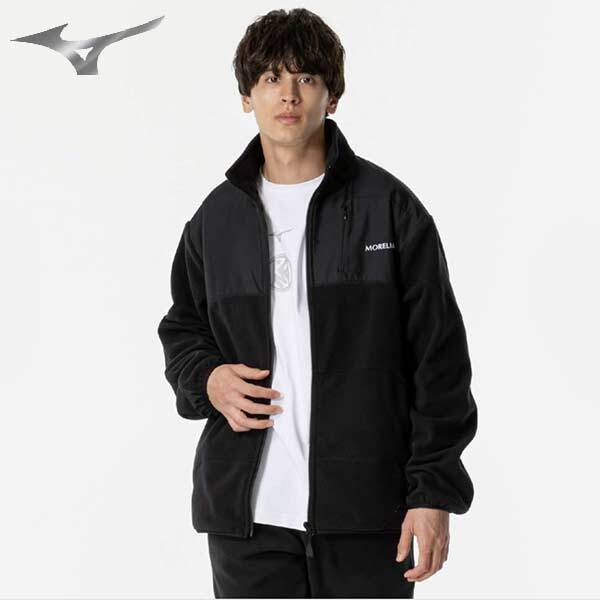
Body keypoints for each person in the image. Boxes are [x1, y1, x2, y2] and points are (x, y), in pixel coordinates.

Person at [157, 8, 478, 599]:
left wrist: (433, 491)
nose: (289, 94)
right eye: (271, 78)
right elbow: (182, 329)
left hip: (369, 513)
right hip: (246, 519)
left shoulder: (390, 209)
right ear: (246, 96)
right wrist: (207, 379)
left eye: (306, 77)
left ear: (333, 96)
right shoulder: (215, 221)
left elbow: (440, 361)